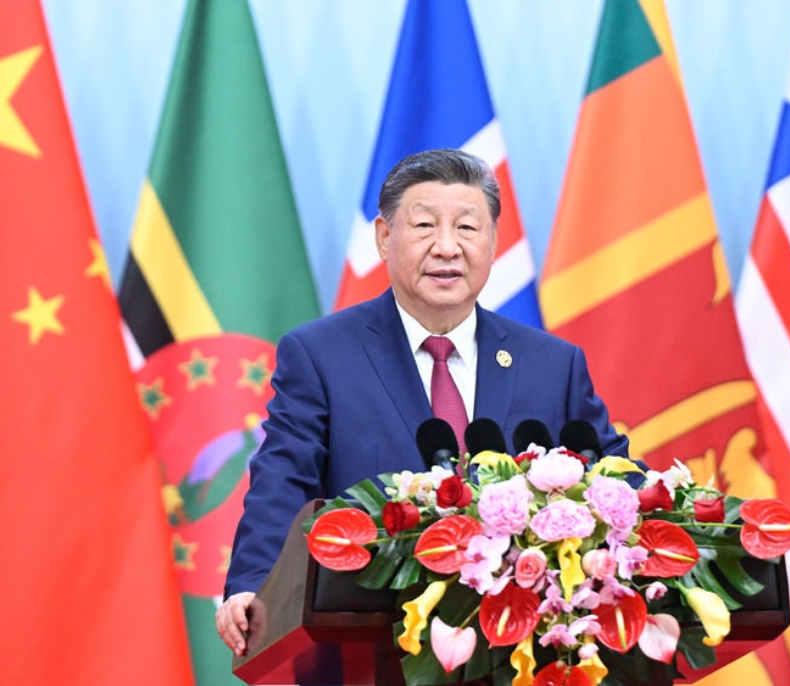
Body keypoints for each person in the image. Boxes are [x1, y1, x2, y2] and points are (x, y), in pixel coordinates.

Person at [215, 148, 630, 656]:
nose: (447, 247)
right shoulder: (321, 355)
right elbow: (284, 480)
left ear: (494, 241)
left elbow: (616, 480)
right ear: (384, 237)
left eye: (467, 228)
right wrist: (254, 584)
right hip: (367, 646)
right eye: (425, 226)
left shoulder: (552, 364)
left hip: (523, 649)